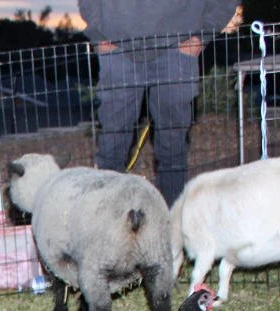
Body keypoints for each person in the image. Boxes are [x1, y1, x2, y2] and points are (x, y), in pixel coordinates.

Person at [78, 0, 240, 205]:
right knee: (112, 145)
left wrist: (201, 37)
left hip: (177, 49)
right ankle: (108, 221)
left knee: (173, 148)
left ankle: (171, 222)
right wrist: (99, 34)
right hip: (117, 48)